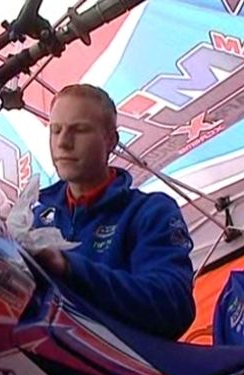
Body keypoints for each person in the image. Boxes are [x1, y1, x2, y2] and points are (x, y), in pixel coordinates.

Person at [32, 83, 196, 340]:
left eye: (79, 130)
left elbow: (173, 306)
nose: (63, 143)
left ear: (111, 140)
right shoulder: (34, 218)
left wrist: (69, 267)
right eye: (56, 130)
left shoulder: (149, 211)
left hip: (121, 373)